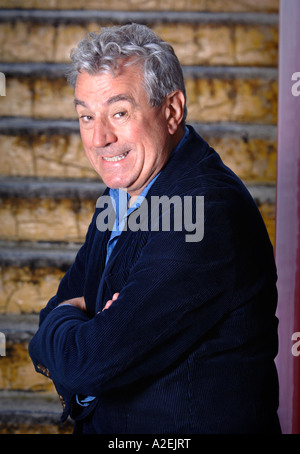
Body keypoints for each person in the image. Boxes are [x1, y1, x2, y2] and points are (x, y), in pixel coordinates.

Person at [29, 23, 281, 434]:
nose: (99, 137)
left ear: (172, 110)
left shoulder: (204, 212)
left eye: (119, 112)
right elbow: (61, 320)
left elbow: (85, 362)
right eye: (86, 116)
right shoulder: (122, 194)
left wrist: (67, 328)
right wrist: (71, 326)